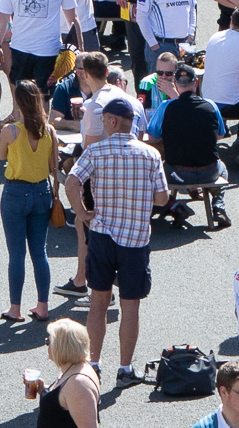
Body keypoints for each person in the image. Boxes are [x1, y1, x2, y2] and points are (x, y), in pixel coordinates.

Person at [68, 94, 169, 386]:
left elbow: (72, 182)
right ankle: (125, 369)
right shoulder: (151, 155)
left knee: (98, 302)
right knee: (130, 306)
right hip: (135, 239)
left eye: (103, 120)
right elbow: (162, 198)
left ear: (112, 121)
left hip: (102, 235)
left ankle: (93, 364)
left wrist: (82, 213)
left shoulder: (95, 151)